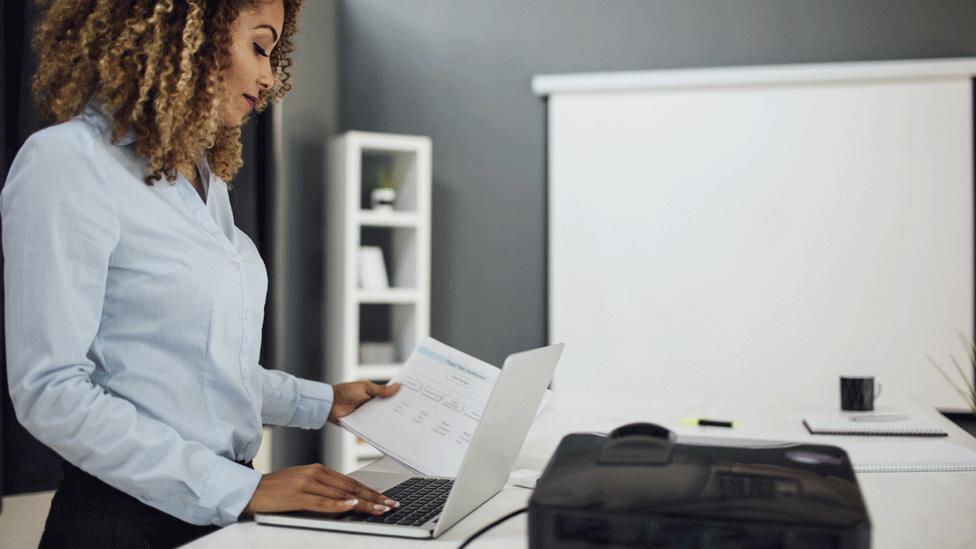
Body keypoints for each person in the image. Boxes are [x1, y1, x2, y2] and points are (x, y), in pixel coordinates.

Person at [1, 1, 400, 546]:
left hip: (217, 512)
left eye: (273, 53)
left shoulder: (202, 180)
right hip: (124, 522)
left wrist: (323, 401)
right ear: (183, 34)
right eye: (259, 47)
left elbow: (194, 372)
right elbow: (51, 391)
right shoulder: (68, 162)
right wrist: (238, 488)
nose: (267, 75)